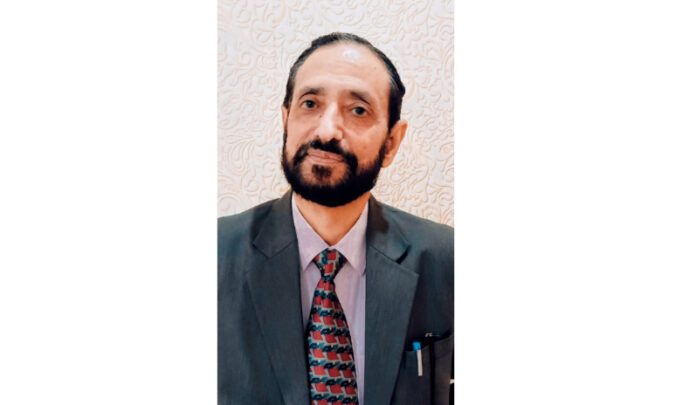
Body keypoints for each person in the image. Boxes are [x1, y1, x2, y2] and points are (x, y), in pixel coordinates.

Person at [218, 32, 453, 405]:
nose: (327, 130)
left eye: (358, 110)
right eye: (310, 104)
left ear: (391, 142)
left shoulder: (450, 260)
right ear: (286, 120)